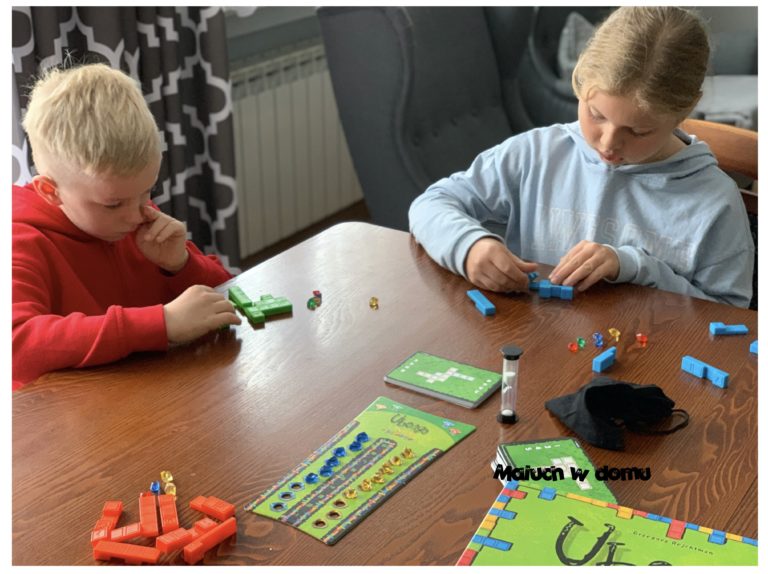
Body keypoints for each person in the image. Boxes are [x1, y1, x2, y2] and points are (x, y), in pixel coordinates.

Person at [409, 6, 753, 308]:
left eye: (638, 131)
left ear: (686, 109)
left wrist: (635, 267)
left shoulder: (715, 204)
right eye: (596, 114)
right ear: (581, 79)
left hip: (653, 357)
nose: (608, 143)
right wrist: (469, 246)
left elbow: (731, 318)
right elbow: (431, 203)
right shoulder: (537, 154)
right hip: (536, 344)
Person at [12, 63, 242, 390]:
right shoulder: (18, 239)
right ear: (51, 192)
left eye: (147, 192)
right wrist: (161, 323)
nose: (136, 216)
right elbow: (15, 345)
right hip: (75, 415)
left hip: (152, 396)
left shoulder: (134, 212)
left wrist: (181, 265)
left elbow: (227, 299)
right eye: (113, 204)